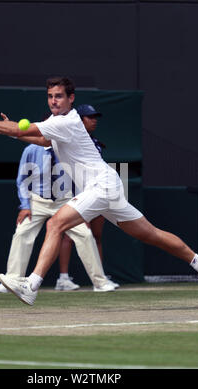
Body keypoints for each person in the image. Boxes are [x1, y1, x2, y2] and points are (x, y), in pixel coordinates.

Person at [0, 76, 198, 306]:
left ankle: (31, 285)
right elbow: (41, 139)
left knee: (55, 224)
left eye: (59, 96)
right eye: (50, 96)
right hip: (107, 185)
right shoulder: (56, 121)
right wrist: (9, 131)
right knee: (150, 234)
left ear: (71, 98)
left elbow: (23, 129)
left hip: (101, 186)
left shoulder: (67, 121)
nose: (54, 101)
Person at [0, 115, 117, 293]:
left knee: (85, 236)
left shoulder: (68, 148)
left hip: (65, 200)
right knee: (22, 232)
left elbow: (81, 177)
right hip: (38, 201)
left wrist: (83, 207)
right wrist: (25, 205)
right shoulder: (31, 150)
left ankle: (100, 282)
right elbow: (22, 180)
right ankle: (12, 280)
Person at [60, 103, 119, 288]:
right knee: (71, 235)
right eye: (90, 117)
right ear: (80, 119)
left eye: (95, 117)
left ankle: (100, 279)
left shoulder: (95, 142)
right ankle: (63, 278)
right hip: (77, 194)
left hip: (97, 191)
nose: (94, 120)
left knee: (96, 235)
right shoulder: (70, 139)